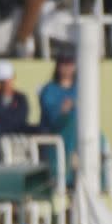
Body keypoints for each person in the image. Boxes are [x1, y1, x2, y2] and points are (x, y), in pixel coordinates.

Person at [0, 60, 34, 162]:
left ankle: (43, 162)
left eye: (8, 80)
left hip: (17, 127)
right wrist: (7, 116)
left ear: (13, 78)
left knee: (42, 129)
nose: (5, 84)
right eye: (2, 81)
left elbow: (21, 118)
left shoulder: (20, 98)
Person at [39, 51, 78, 187]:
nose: (67, 68)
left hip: (78, 145)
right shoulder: (49, 90)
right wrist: (63, 110)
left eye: (70, 64)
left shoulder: (81, 89)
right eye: (63, 64)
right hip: (56, 143)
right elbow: (52, 118)